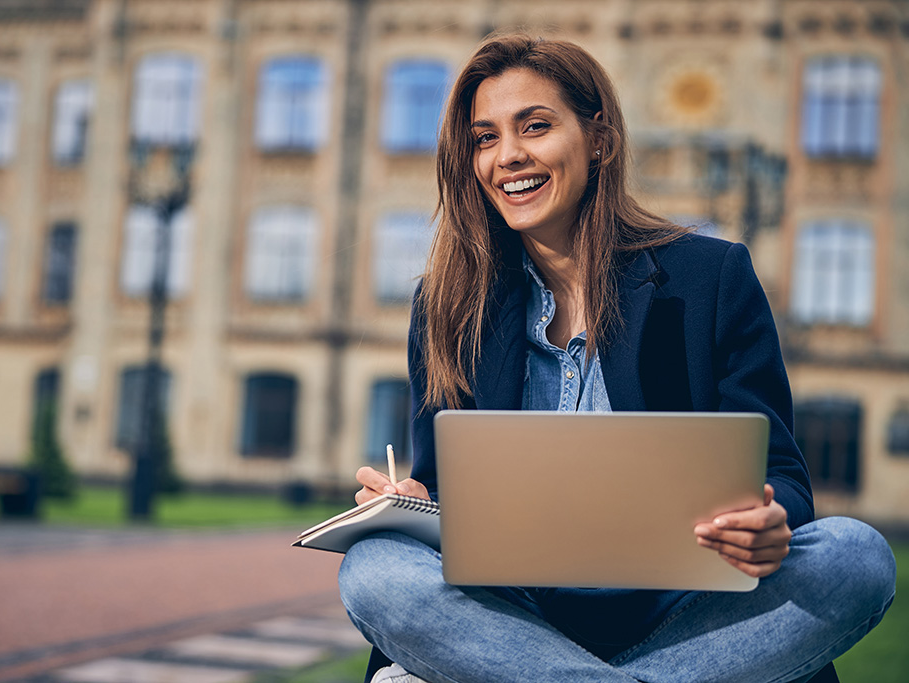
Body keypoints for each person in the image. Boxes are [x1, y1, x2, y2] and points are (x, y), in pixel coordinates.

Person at [338, 33, 896, 683]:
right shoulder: (449, 305)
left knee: (857, 556)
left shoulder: (711, 276)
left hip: (689, 607)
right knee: (372, 565)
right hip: (515, 615)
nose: (507, 156)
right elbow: (447, 493)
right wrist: (414, 503)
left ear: (599, 139)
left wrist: (773, 522)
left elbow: (782, 475)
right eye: (484, 138)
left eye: (535, 126)